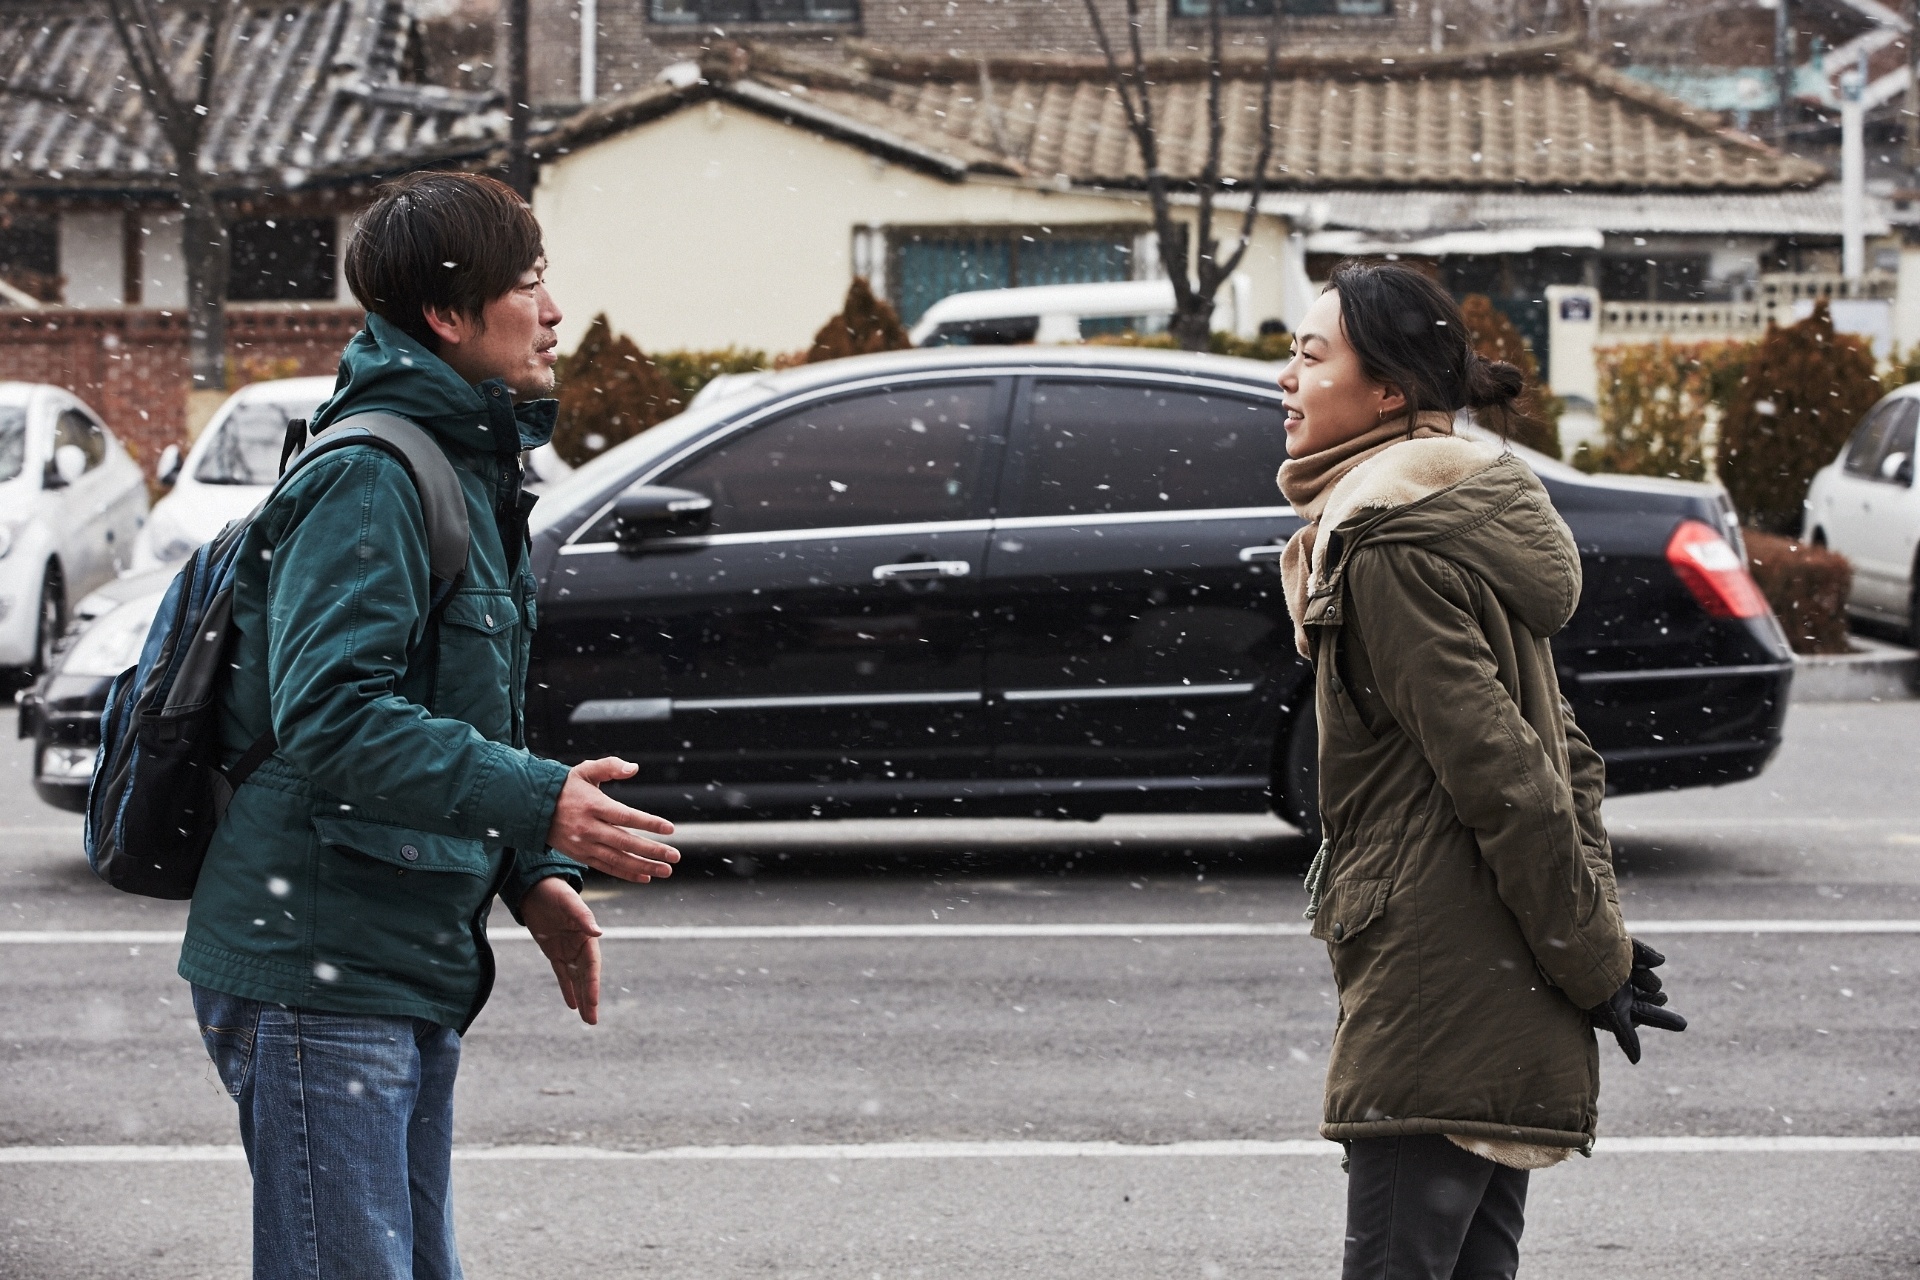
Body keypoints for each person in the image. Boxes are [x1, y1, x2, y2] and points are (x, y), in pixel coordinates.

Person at [180, 171, 681, 1280]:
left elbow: (467, 708)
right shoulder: (372, 473)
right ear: (448, 319)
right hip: (318, 955)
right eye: (530, 285)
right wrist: (540, 796)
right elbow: (338, 718)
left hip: (395, 951)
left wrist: (533, 870)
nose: (554, 311)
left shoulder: (469, 462)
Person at [1273, 260, 1685, 1280]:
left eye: (1311, 355)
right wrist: (1592, 945)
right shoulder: (1457, 517)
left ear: (1388, 394)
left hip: (1440, 983)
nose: (1285, 377)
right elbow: (1565, 757)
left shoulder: (1387, 546)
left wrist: (1593, 957)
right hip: (1490, 968)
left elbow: (1508, 772)